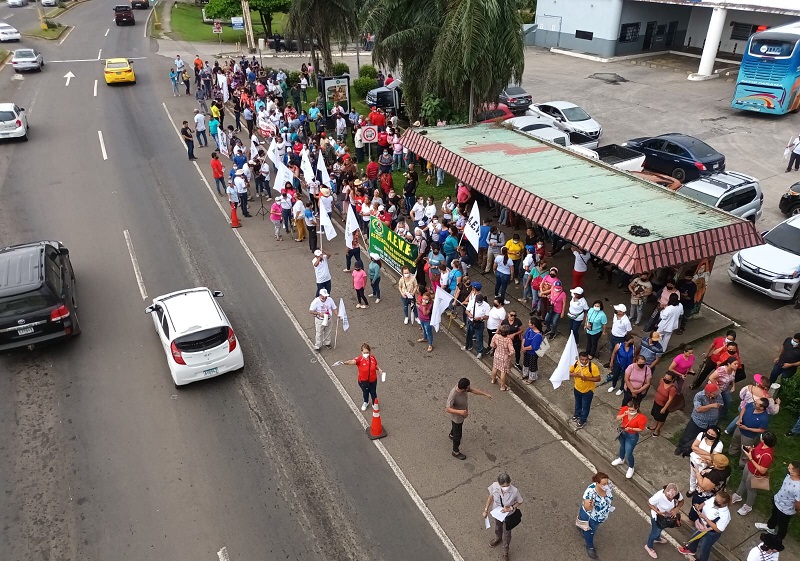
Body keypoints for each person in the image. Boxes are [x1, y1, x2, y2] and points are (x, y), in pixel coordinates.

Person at [445, 377, 492, 460]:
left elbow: (473, 390)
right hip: (457, 417)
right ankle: (455, 451)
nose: (469, 388)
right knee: (458, 435)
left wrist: (485, 394)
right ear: (463, 388)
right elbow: (447, 409)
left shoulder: (463, 388)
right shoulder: (453, 395)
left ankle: (452, 434)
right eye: (468, 387)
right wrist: (460, 412)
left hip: (462, 415)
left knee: (456, 428)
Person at [733, 431, 777, 516]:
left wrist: (751, 458)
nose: (760, 437)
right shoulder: (761, 444)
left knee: (751, 489)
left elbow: (762, 470)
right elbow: (756, 451)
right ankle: (738, 495)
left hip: (755, 473)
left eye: (761, 436)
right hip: (748, 466)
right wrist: (751, 449)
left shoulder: (767, 456)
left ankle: (748, 506)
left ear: (764, 440)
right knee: (743, 481)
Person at [679, 491, 731, 561]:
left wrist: (705, 518)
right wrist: (699, 506)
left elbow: (719, 529)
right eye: (715, 498)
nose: (714, 500)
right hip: (701, 524)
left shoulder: (725, 515)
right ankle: (691, 549)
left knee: (704, 548)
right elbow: (706, 503)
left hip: (711, 532)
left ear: (724, 504)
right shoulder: (714, 499)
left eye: (717, 501)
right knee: (695, 537)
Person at [482, 473, 523, 561]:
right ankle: (498, 538)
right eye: (503, 486)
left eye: (507, 485)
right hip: (497, 512)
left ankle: (505, 551)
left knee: (507, 533)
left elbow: (520, 501)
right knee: (497, 527)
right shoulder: (494, 486)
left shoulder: (515, 491)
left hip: (508, 516)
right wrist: (486, 509)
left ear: (510, 483)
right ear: (499, 484)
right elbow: (490, 497)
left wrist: (511, 508)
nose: (506, 487)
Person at [755, 461, 800, 540]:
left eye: (790, 468)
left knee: (782, 524)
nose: (787, 468)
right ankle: (770, 527)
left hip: (786, 510)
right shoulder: (788, 475)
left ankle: (778, 539)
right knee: (774, 515)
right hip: (778, 501)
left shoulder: (798, 488)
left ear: (795, 473)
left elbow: (798, 503)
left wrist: (797, 509)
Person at [675, 384, 723, 456]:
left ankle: (691, 450)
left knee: (702, 438)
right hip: (697, 422)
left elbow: (721, 405)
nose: (717, 395)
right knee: (688, 436)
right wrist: (711, 406)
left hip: (711, 424)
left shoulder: (718, 396)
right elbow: (698, 409)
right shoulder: (699, 396)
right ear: (708, 392)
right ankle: (680, 448)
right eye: (715, 394)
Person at [335, 343, 383, 411]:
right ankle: (366, 402)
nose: (366, 354)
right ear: (361, 352)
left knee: (373, 392)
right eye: (364, 352)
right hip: (363, 381)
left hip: (373, 380)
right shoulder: (359, 359)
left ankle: (374, 403)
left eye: (367, 352)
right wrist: (344, 363)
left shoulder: (372, 358)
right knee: (365, 392)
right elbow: (352, 361)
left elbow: (375, 365)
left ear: (370, 352)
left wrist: (379, 369)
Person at [577, 472, 614, 559]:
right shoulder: (591, 492)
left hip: (601, 516)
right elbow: (587, 507)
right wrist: (589, 504)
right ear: (597, 483)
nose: (606, 485)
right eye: (604, 484)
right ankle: (589, 546)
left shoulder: (608, 485)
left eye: (607, 483)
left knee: (589, 529)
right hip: (592, 518)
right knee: (590, 532)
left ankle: (581, 527)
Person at [645, 483, 684, 558]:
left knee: (661, 528)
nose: (670, 498)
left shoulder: (676, 494)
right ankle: (649, 546)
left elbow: (681, 501)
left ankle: (657, 538)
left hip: (666, 517)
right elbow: (649, 503)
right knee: (655, 532)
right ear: (665, 492)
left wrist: (676, 508)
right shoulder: (659, 496)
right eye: (668, 496)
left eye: (672, 497)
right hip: (657, 517)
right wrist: (658, 511)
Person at [729, 398, 772, 466]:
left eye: (756, 404)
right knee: (735, 440)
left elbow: (761, 430)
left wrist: (747, 428)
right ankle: (732, 453)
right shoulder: (751, 405)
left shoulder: (764, 418)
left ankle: (743, 463)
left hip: (749, 436)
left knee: (746, 449)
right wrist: (740, 418)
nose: (753, 403)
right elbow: (744, 409)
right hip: (739, 429)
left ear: (761, 408)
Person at [611, 399, 646, 478]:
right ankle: (621, 458)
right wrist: (624, 414)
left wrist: (631, 429)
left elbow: (641, 429)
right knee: (622, 446)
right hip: (623, 432)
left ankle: (631, 467)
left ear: (637, 409)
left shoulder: (641, 417)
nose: (630, 411)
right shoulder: (625, 410)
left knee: (629, 452)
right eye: (629, 409)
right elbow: (617, 418)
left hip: (632, 436)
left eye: (632, 410)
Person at [688, 426, 723, 495]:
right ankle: (692, 488)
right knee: (693, 475)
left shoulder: (719, 444)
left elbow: (713, 458)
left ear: (716, 436)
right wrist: (708, 454)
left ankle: (698, 489)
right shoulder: (701, 435)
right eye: (708, 432)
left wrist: (698, 452)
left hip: (705, 464)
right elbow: (693, 447)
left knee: (701, 478)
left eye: (712, 434)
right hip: (694, 459)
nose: (709, 435)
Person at [571, 352, 601, 430]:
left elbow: (598, 378)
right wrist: (576, 375)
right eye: (582, 360)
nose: (584, 361)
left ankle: (583, 420)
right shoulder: (575, 364)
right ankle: (577, 414)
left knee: (585, 406)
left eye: (586, 359)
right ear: (579, 359)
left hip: (588, 391)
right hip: (577, 388)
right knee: (578, 402)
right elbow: (569, 372)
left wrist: (586, 378)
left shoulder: (593, 367)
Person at [649, 372, 679, 437]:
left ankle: (657, 430)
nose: (665, 379)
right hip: (656, 402)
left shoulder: (672, 389)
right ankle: (654, 426)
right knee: (655, 415)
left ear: (672, 380)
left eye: (668, 379)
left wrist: (664, 408)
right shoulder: (661, 380)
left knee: (661, 418)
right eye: (665, 377)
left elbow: (670, 400)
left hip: (664, 405)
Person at [462, 293, 490, 359]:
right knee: (469, 335)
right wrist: (469, 315)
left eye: (480, 301)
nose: (478, 303)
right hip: (470, 321)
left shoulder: (487, 306)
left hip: (479, 323)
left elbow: (487, 316)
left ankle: (480, 351)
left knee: (479, 338)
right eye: (477, 301)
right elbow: (467, 311)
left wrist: (480, 318)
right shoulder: (472, 302)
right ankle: (468, 346)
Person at [490, 325, 515, 391]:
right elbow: (512, 351)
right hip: (504, 357)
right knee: (503, 372)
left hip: (497, 354)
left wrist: (495, 346)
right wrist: (509, 354)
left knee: (495, 367)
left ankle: (493, 380)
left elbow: (492, 345)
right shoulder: (508, 340)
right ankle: (502, 387)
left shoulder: (496, 336)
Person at [521, 317, 544, 383]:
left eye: (530, 323)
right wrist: (522, 346)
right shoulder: (529, 329)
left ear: (533, 325)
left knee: (532, 365)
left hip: (532, 353)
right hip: (526, 351)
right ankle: (525, 374)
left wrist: (524, 348)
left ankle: (531, 378)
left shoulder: (538, 335)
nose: (528, 324)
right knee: (525, 362)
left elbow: (533, 346)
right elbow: (525, 337)